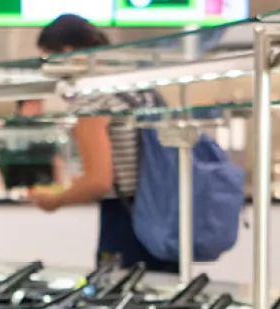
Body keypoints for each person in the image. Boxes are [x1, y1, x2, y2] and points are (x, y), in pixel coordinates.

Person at [30, 14, 175, 272]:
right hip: (167, 213)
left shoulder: (94, 100)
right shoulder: (142, 91)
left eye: (46, 58)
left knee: (120, 303)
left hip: (126, 220)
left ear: (66, 51)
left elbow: (99, 181)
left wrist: (56, 199)